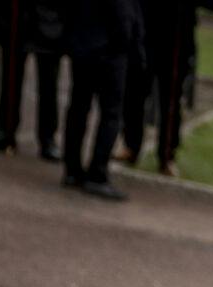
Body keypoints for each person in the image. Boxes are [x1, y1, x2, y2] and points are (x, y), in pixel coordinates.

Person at [115, 0, 213, 177]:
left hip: (177, 38)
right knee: (135, 93)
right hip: (146, 33)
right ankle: (131, 144)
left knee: (171, 101)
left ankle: (167, 155)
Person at [60, 0, 144, 200]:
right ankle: (97, 174)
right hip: (109, 49)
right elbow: (123, 12)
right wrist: (127, 42)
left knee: (79, 107)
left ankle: (72, 169)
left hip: (83, 42)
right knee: (110, 114)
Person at [0, 0, 65, 159]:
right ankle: (5, 129)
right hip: (15, 17)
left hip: (49, 17)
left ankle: (48, 138)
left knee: (49, 82)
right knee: (9, 75)